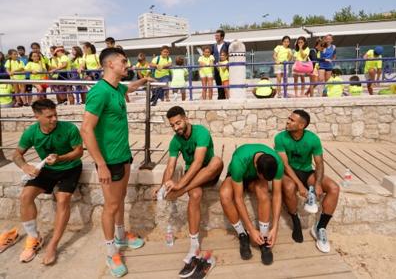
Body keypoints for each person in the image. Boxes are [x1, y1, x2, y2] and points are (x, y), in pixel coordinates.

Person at [80, 47, 152, 278]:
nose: (127, 64)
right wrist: (100, 163)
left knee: (120, 200)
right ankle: (111, 252)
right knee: (111, 206)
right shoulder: (99, 92)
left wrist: (143, 80)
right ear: (110, 64)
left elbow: (129, 87)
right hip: (109, 161)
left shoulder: (116, 88)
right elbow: (86, 129)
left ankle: (121, 237)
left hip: (123, 155)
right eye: (123, 61)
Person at [154, 106, 223, 278]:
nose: (176, 127)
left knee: (216, 161)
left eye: (178, 123)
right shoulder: (175, 140)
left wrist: (179, 187)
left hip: (208, 172)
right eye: (172, 125)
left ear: (186, 118)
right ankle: (194, 245)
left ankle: (183, 189)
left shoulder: (201, 133)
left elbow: (199, 163)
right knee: (196, 195)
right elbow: (170, 166)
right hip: (191, 178)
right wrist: (164, 186)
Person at [12, 99, 83, 264]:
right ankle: (34, 237)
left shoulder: (69, 128)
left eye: (55, 115)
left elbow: (78, 152)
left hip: (70, 168)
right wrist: (24, 166)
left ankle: (53, 245)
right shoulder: (31, 132)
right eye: (49, 116)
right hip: (47, 170)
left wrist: (60, 158)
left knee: (63, 199)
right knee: (25, 196)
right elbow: (16, 155)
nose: (54, 119)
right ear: (37, 116)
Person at [274, 109, 339, 253]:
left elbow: (320, 164)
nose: (288, 121)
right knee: (290, 188)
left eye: (292, 120)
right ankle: (295, 221)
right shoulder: (280, 138)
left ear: (301, 125)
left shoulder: (313, 139)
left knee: (334, 188)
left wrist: (317, 184)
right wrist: (300, 186)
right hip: (287, 172)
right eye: (289, 119)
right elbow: (284, 165)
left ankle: (320, 228)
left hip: (307, 171)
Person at [220, 144, 284, 266]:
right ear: (256, 167)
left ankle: (264, 238)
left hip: (254, 179)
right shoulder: (238, 162)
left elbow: (277, 195)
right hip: (238, 176)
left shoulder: (278, 163)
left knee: (264, 193)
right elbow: (238, 198)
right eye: (264, 178)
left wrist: (275, 227)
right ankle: (242, 235)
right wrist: (250, 229)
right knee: (225, 195)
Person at [211, 29, 229, 100]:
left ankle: (228, 98)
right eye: (215, 36)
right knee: (218, 83)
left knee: (226, 84)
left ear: (222, 37)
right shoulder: (213, 46)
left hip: (225, 68)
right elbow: (210, 56)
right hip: (216, 68)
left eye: (217, 36)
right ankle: (221, 98)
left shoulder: (227, 44)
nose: (216, 37)